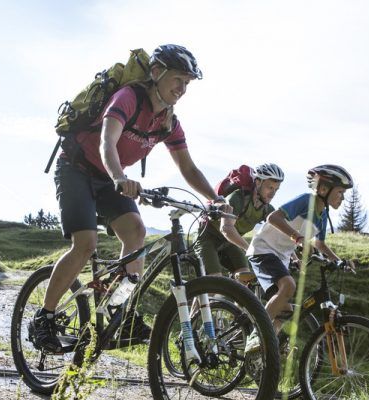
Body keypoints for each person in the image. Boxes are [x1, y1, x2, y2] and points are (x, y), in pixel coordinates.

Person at [32, 44, 226, 351]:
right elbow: (107, 143)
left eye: (187, 83)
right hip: (77, 167)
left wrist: (215, 199)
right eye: (178, 79)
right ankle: (44, 317)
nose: (183, 88)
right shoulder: (128, 98)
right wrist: (120, 178)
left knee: (136, 232)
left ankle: (119, 310)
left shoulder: (168, 122)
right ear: (157, 72)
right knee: (85, 244)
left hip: (111, 178)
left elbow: (187, 167)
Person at [244, 164, 355, 353]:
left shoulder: (323, 215)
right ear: (323, 189)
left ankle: (265, 351)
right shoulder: (306, 201)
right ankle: (256, 335)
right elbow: (273, 218)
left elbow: (320, 244)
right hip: (263, 249)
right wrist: (298, 238)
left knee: (284, 311)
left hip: (281, 257)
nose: (342, 198)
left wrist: (338, 261)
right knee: (289, 286)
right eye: (340, 192)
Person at [194, 164, 284, 276]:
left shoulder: (267, 209)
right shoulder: (237, 198)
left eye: (276, 189)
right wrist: (250, 249)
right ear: (258, 182)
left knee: (244, 276)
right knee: (215, 279)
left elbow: (281, 232)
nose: (273, 194)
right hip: (208, 238)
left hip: (229, 243)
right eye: (270, 187)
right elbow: (226, 229)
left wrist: (294, 258)